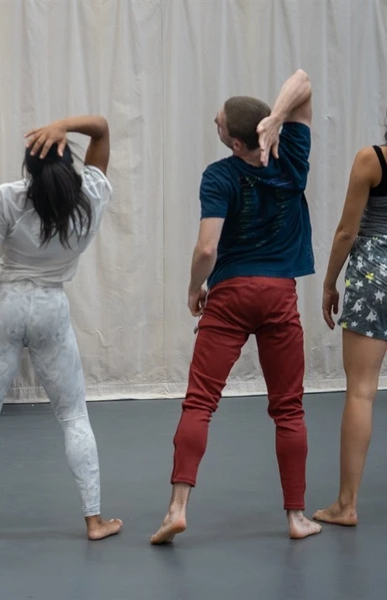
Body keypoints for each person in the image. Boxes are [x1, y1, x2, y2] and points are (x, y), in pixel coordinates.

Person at [150, 70, 322, 544]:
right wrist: (279, 122)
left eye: (220, 123)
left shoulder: (219, 175)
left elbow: (207, 249)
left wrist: (192, 290)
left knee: (200, 402)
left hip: (230, 296)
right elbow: (303, 83)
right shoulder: (293, 163)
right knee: (288, 409)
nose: (214, 121)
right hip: (278, 294)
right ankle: (296, 517)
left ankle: (177, 508)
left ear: (234, 140)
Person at [0, 114, 122, 541]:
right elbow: (102, 129)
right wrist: (64, 124)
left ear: (29, 167)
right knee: (74, 415)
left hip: (7, 301)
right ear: (70, 162)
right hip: (52, 304)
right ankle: (95, 521)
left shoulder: (8, 196)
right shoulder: (91, 196)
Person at [313, 112, 387, 527]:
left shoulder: (371, 159)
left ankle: (346, 504)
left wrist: (329, 282)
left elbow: (346, 231)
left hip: (375, 276)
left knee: (361, 391)